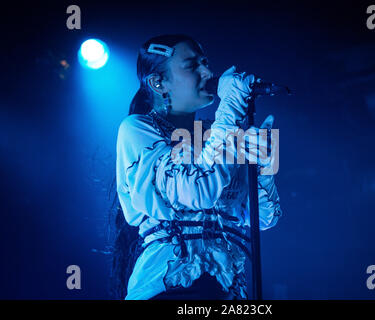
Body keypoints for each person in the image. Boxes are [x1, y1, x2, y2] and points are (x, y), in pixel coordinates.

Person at [113, 34, 282, 300]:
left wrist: (263, 168)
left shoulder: (216, 136)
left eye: (205, 63)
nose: (208, 72)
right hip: (169, 290)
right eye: (192, 65)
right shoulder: (136, 129)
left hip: (226, 291)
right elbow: (197, 189)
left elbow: (263, 217)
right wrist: (230, 106)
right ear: (159, 83)